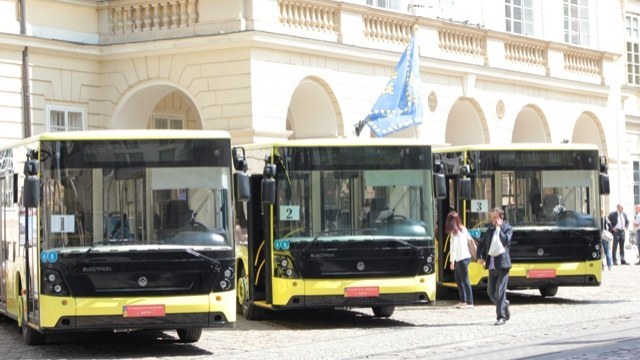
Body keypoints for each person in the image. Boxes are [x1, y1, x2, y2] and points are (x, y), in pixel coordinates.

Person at [476, 207, 513, 326]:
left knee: (500, 290)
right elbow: (481, 243)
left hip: (503, 265)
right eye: (492, 218)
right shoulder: (489, 230)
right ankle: (504, 304)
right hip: (492, 265)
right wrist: (479, 257)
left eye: (495, 218)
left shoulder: (507, 229)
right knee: (491, 292)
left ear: (501, 217)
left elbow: (505, 241)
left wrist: (499, 228)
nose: (493, 220)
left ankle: (501, 317)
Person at [445, 211, 473, 309]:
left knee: (464, 280)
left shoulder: (454, 232)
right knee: (459, 279)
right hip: (465, 257)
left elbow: (453, 247)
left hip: (461, 259)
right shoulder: (463, 229)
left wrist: (452, 261)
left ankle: (469, 302)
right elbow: (469, 241)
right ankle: (463, 300)